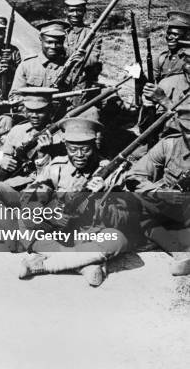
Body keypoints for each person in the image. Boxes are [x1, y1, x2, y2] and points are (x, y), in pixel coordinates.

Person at [18, 117, 138, 287]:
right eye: (73, 149)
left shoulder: (111, 172)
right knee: (23, 223)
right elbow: (29, 199)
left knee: (118, 240)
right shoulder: (57, 167)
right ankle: (85, 264)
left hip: (89, 234)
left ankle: (43, 265)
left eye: (85, 150)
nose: (79, 155)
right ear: (65, 147)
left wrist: (105, 194)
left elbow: (124, 218)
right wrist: (50, 215)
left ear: (94, 146)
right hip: (56, 232)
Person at [125, 105, 190, 276]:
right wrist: (159, 192)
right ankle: (179, 251)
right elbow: (134, 176)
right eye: (189, 131)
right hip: (169, 207)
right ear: (181, 127)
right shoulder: (169, 145)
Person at [0, 87, 65, 187]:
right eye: (30, 111)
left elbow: (58, 174)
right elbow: (5, 154)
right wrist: (3, 161)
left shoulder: (60, 137)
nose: (34, 115)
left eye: (40, 111)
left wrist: (44, 154)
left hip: (41, 184)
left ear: (50, 111)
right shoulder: (17, 130)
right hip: (13, 180)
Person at [9, 20, 77, 100]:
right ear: (41, 39)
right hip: (31, 111)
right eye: (49, 42)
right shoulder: (27, 65)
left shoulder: (70, 65)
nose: (53, 46)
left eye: (58, 43)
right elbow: (14, 96)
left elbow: (77, 97)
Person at [61, 0, 102, 83]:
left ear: (84, 11)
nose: (75, 14)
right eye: (71, 10)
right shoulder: (58, 31)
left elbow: (92, 61)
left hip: (81, 81)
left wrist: (65, 52)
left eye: (79, 10)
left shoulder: (92, 34)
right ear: (65, 10)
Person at [142, 40, 190, 116]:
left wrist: (164, 101)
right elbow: (146, 126)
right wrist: (147, 107)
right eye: (188, 61)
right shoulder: (167, 84)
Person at [154, 11, 190, 82]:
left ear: (187, 36)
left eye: (175, 34)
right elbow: (151, 81)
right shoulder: (162, 58)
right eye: (168, 33)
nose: (169, 37)